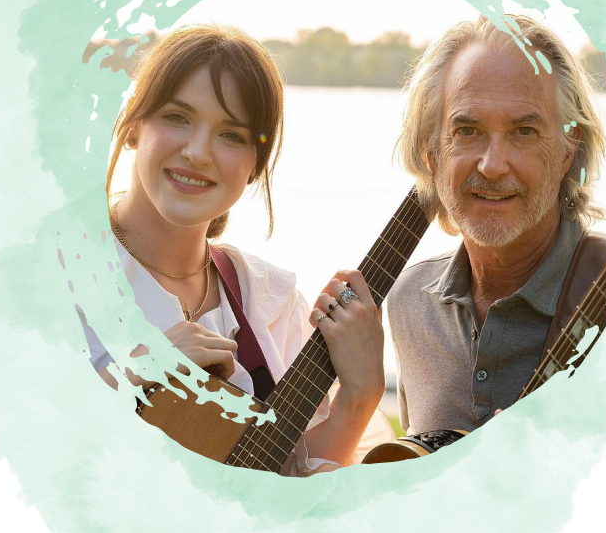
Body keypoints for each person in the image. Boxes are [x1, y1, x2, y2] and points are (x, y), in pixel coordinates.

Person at [82, 24, 394, 475]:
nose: (197, 152)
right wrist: (138, 374)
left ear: (253, 166)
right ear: (132, 127)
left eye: (231, 135)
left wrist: (358, 397)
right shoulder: (53, 279)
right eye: (177, 117)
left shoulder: (270, 299)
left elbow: (292, 481)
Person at [387, 15, 606, 435]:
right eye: (467, 130)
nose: (492, 165)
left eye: (523, 132)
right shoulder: (409, 303)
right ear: (432, 150)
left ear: (567, 150)